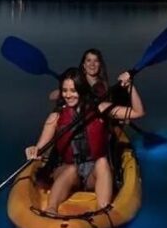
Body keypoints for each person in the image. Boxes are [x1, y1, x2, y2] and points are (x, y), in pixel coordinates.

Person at [25, 67, 145, 214]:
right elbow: (40, 147)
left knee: (102, 162)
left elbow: (138, 112)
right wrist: (33, 151)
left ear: (82, 90)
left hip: (93, 174)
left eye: (73, 90)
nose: (68, 95)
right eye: (65, 91)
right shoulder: (55, 117)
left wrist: (130, 87)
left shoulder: (100, 108)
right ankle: (51, 209)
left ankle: (103, 211)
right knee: (72, 168)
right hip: (68, 171)